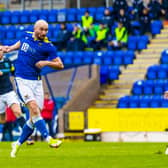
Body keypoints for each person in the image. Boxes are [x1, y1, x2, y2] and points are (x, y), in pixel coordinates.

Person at [0, 19, 64, 158]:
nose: (44, 32)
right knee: (34, 109)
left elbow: (60, 65)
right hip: (22, 80)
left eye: (46, 30)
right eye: (41, 29)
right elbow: (20, 44)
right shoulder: (25, 35)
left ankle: (17, 144)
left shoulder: (48, 46)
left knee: (34, 117)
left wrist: (46, 62)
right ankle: (49, 138)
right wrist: (10, 48)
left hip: (37, 83)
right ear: (35, 28)